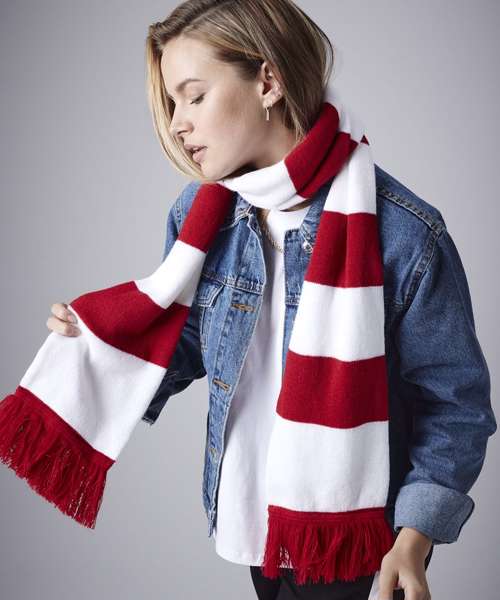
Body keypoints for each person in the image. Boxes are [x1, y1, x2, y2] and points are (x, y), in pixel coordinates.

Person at [45, 1, 497, 599]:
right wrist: (99, 341)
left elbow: (455, 405)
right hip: (252, 520)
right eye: (173, 103)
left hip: (357, 538)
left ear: (267, 81)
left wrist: (413, 539)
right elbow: (193, 340)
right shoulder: (199, 214)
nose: (177, 124)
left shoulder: (403, 234)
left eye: (194, 96)